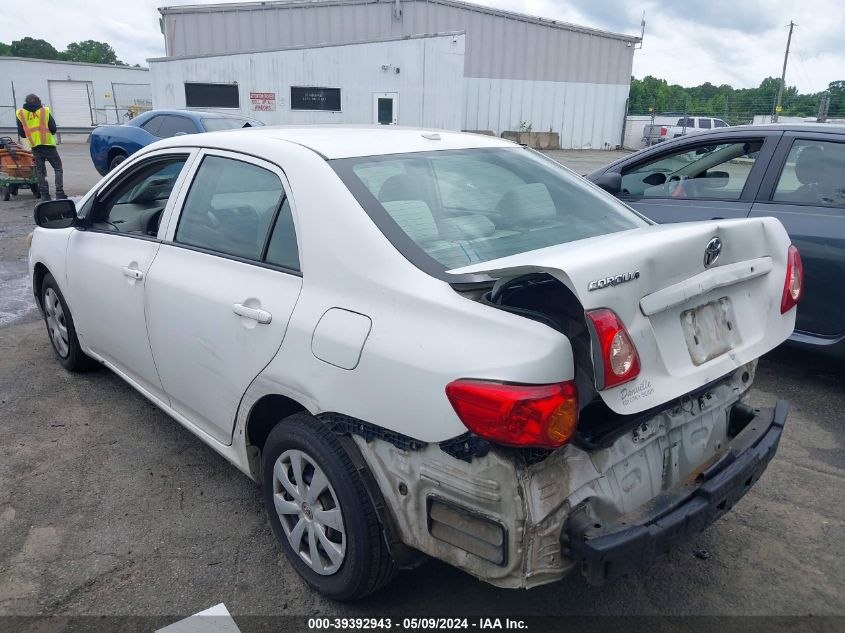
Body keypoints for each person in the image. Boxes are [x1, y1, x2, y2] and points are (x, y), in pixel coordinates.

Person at [16, 94, 66, 200]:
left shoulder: (20, 113)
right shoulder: (44, 111)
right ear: (38, 101)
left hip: (35, 146)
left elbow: (22, 133)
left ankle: (44, 195)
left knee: (40, 171)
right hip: (48, 145)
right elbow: (53, 129)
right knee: (58, 168)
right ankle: (59, 193)